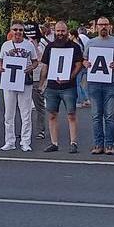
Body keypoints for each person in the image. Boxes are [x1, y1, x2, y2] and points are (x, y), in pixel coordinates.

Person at [83, 17, 114, 155]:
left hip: (111, 83)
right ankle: (97, 144)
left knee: (109, 116)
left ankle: (109, 145)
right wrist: (86, 64)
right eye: (100, 25)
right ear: (96, 27)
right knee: (96, 115)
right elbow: (84, 60)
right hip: (94, 83)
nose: (103, 27)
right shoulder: (90, 43)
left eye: (105, 25)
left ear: (110, 27)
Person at [40, 21, 84, 153]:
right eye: (58, 31)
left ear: (67, 31)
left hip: (68, 87)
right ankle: (54, 143)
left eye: (63, 31)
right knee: (52, 115)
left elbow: (79, 65)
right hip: (52, 87)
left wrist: (70, 77)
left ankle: (73, 142)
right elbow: (45, 66)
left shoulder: (75, 47)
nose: (60, 33)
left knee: (71, 115)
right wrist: (42, 84)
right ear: (55, 31)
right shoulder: (50, 47)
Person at [0, 20, 39, 152]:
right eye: (15, 29)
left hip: (25, 81)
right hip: (9, 81)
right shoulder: (5, 45)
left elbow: (35, 61)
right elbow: (0, 60)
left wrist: (31, 67)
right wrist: (0, 67)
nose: (18, 32)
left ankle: (25, 141)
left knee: (25, 113)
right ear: (11, 31)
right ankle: (9, 141)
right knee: (9, 113)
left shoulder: (29, 45)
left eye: (20, 30)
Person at [30, 33, 47, 141]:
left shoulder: (42, 45)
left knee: (39, 106)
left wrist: (43, 82)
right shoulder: (23, 44)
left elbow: (43, 61)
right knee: (24, 107)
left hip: (37, 78)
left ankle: (41, 130)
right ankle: (24, 131)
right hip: (23, 78)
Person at [70, 28, 90, 108]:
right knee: (80, 83)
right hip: (82, 65)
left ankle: (79, 101)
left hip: (78, 65)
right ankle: (86, 99)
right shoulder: (79, 42)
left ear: (73, 35)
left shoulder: (75, 45)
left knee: (77, 83)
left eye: (69, 35)